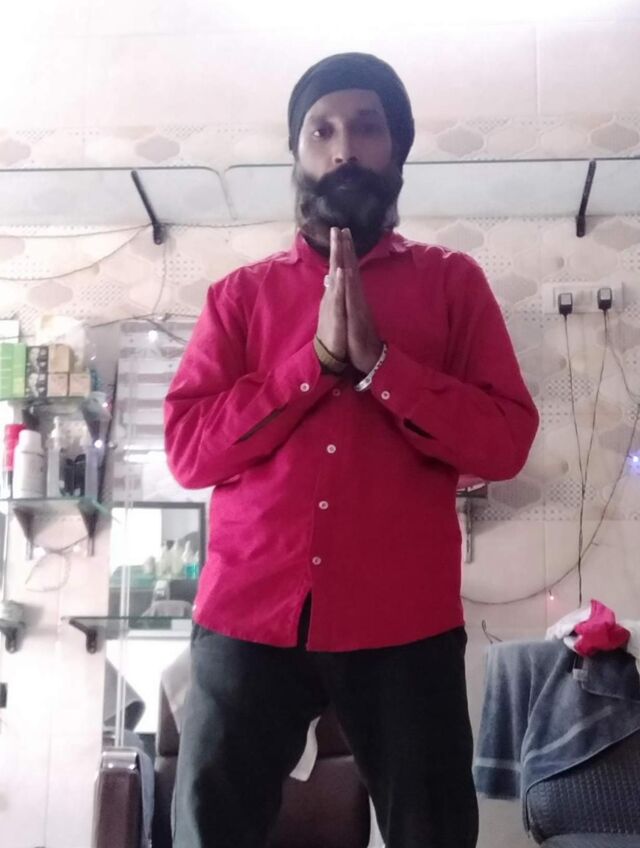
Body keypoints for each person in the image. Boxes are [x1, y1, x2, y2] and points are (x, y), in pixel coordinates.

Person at [164, 52, 539, 848]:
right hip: (249, 609)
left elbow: (507, 440)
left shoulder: (453, 285)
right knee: (209, 829)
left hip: (404, 614)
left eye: (367, 128)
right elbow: (189, 453)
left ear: (396, 150)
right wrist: (312, 367)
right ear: (297, 154)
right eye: (321, 130)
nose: (344, 149)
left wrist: (381, 368)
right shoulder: (239, 297)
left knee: (433, 831)